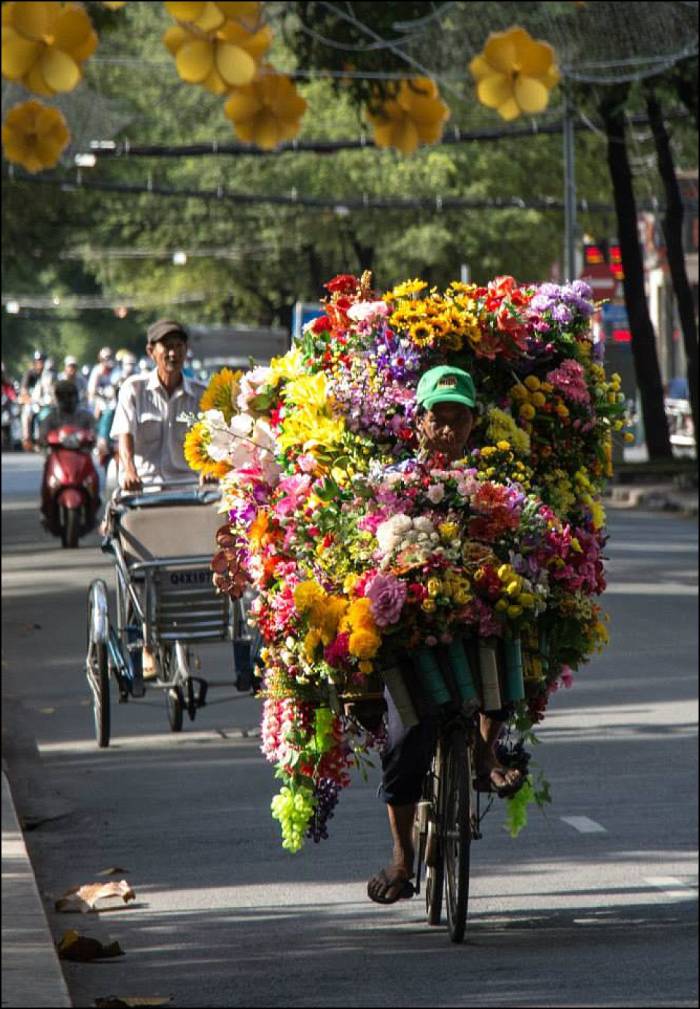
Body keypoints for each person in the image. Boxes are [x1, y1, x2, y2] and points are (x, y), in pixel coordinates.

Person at [367, 365, 525, 906]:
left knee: (510, 641)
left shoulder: (491, 484)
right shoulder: (394, 481)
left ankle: (483, 755)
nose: (449, 430)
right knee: (405, 737)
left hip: (470, 616)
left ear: (473, 425)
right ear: (419, 423)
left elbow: (514, 541)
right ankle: (402, 858)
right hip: (413, 627)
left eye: (460, 420)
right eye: (440, 419)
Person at [109, 320, 207, 678]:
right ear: (151, 352)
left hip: (188, 491)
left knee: (199, 564)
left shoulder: (199, 392)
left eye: (178, 344)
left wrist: (211, 466)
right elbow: (124, 435)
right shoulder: (133, 390)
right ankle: (147, 644)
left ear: (185, 350)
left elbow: (211, 438)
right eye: (164, 345)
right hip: (146, 494)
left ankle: (192, 633)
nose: (172, 351)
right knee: (142, 573)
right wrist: (129, 469)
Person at [38, 379, 94, 445]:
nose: (67, 399)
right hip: (58, 452)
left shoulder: (86, 417)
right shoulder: (51, 417)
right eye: (63, 396)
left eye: (69, 396)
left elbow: (96, 435)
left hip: (80, 453)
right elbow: (42, 438)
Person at [19, 351, 46, 450]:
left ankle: (46, 438)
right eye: (38, 361)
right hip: (31, 402)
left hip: (45, 402)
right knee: (27, 413)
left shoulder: (48, 374)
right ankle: (27, 438)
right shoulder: (29, 374)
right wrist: (29, 399)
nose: (40, 364)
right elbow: (23, 390)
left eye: (41, 361)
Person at [87, 347, 116, 419]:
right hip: (98, 402)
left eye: (111, 357)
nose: (110, 360)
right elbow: (92, 391)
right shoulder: (97, 371)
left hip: (112, 403)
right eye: (107, 357)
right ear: (101, 359)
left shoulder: (116, 370)